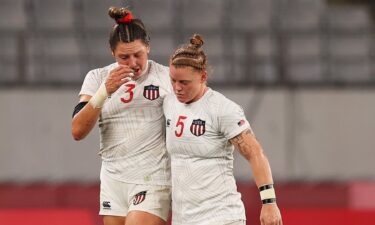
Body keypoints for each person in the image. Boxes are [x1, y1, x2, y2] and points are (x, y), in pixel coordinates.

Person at [163, 34, 283, 225]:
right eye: (173, 81)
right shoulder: (169, 102)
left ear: (203, 77)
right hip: (184, 219)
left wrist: (269, 202)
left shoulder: (222, 109)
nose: (177, 88)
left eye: (184, 82)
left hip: (221, 217)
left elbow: (255, 153)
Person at [71, 7, 172, 225]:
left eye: (138, 55)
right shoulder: (97, 78)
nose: (133, 63)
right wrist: (104, 91)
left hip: (152, 178)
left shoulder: (166, 78)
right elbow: (77, 131)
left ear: (148, 47)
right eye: (124, 57)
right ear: (112, 53)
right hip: (113, 178)